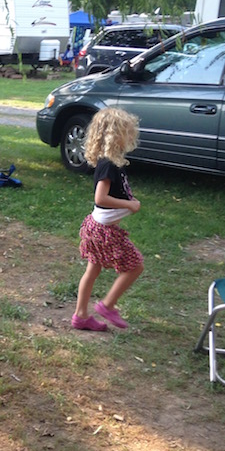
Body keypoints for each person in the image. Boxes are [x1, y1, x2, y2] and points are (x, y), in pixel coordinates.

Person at [71, 107, 144, 331]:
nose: (130, 136)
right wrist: (129, 205)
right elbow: (101, 197)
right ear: (114, 135)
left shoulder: (111, 162)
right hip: (104, 231)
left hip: (96, 227)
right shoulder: (108, 164)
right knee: (135, 266)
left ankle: (81, 316)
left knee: (93, 270)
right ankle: (107, 305)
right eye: (127, 131)